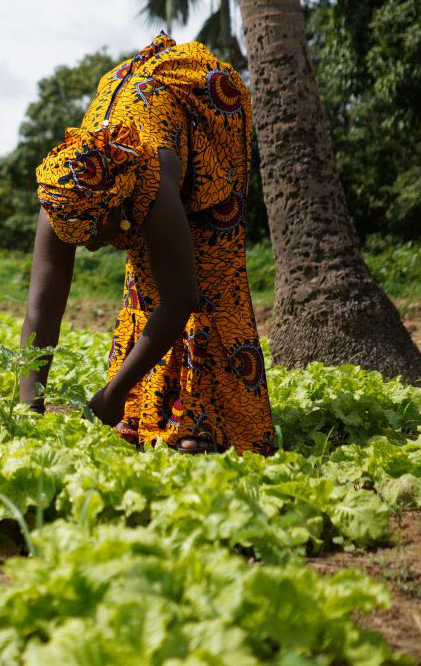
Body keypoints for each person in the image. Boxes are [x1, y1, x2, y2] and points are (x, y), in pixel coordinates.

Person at [15, 33, 275, 455]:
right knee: (144, 278)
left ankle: (205, 420)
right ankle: (147, 408)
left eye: (96, 237)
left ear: (115, 203)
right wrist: (29, 406)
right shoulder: (64, 192)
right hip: (134, 101)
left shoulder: (153, 181)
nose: (96, 249)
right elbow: (41, 307)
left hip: (206, 104)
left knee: (209, 274)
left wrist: (110, 396)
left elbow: (181, 300)